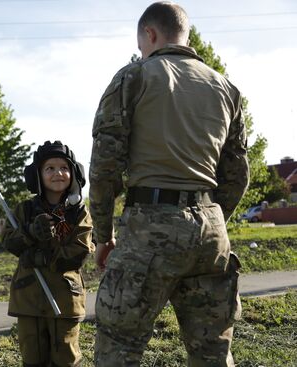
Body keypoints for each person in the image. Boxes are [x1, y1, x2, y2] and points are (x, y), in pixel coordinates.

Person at [89, 2, 249, 366]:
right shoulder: (226, 89)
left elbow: (104, 168)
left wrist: (103, 235)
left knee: (119, 344)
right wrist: (212, 216)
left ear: (150, 34)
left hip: (149, 227)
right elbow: (238, 174)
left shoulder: (133, 77)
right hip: (211, 235)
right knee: (213, 352)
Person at [2, 141, 94, 367]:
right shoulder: (24, 210)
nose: (58, 173)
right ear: (37, 175)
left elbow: (79, 252)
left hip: (65, 298)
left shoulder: (80, 212)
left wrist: (43, 255)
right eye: (49, 168)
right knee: (32, 358)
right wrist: (30, 232)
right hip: (29, 298)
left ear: (74, 173)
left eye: (64, 168)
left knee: (66, 357)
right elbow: (9, 242)